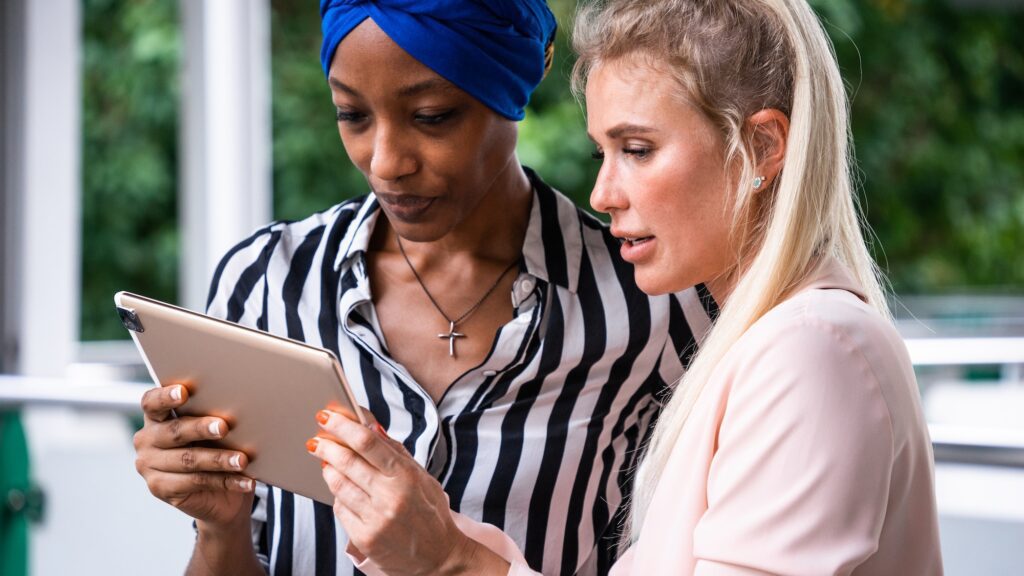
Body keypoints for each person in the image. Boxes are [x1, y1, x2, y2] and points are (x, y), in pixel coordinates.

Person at [307, 0, 945, 574]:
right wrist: (437, 538)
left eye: (637, 150)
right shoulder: (760, 347)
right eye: (601, 155)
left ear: (762, 144)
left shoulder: (811, 351)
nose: (602, 195)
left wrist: (449, 560)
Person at [131, 1, 713, 575]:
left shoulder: (657, 302)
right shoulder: (264, 282)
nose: (385, 163)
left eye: (431, 116)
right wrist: (219, 525)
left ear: (510, 92)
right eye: (352, 115)